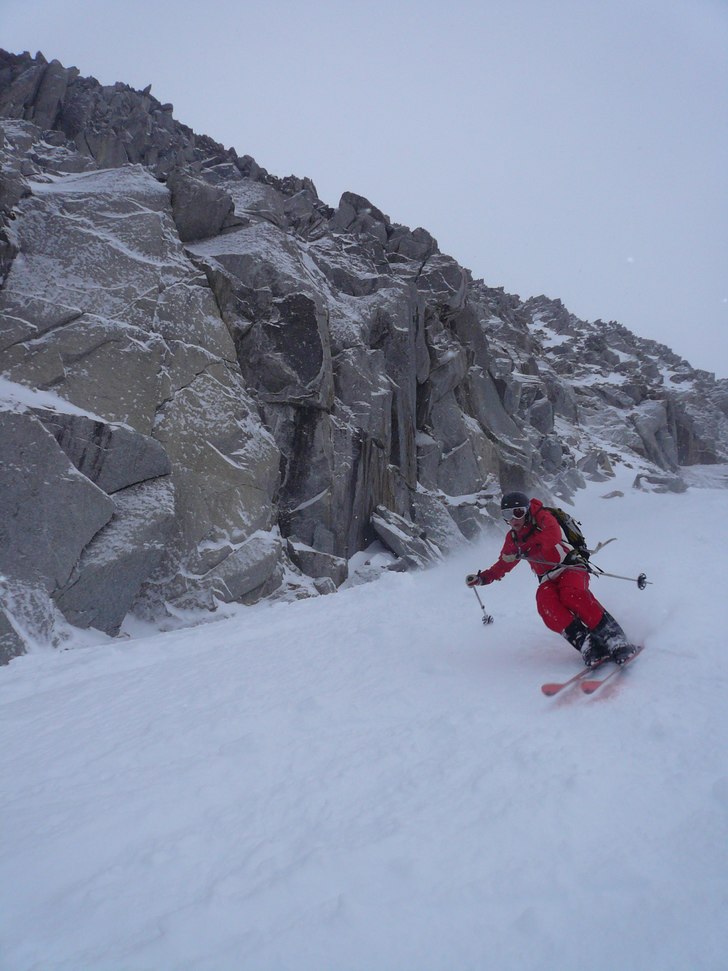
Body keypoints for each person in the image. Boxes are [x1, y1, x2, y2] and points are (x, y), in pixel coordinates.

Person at [466, 491, 636, 666]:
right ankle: (587, 643)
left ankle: (614, 638)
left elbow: (552, 535)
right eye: (507, 515)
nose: (513, 519)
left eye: (518, 512)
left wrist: (523, 550)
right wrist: (482, 578)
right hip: (547, 578)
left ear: (527, 510)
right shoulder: (513, 538)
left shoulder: (542, 517)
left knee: (571, 594)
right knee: (546, 605)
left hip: (570, 566)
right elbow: (503, 564)